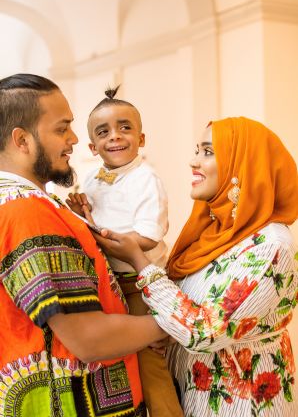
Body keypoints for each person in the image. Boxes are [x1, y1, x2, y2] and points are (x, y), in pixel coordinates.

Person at [92, 117, 298, 417]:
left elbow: (202, 331)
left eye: (208, 152)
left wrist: (139, 260)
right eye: (197, 150)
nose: (193, 161)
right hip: (192, 399)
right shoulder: (211, 234)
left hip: (242, 407)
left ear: (242, 165)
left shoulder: (270, 246)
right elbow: (182, 311)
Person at [0, 73, 170, 417]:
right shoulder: (27, 211)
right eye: (62, 128)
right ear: (22, 140)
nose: (75, 139)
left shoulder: (26, 201)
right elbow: (88, 338)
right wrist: (169, 324)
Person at [66, 86, 183, 417]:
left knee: (150, 364)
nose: (115, 137)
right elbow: (93, 229)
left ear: (141, 138)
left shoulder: (146, 179)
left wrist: (98, 235)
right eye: (104, 132)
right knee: (113, 362)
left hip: (138, 283)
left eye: (125, 128)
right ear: (92, 146)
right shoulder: (91, 179)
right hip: (107, 279)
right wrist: (82, 215)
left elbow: (145, 237)